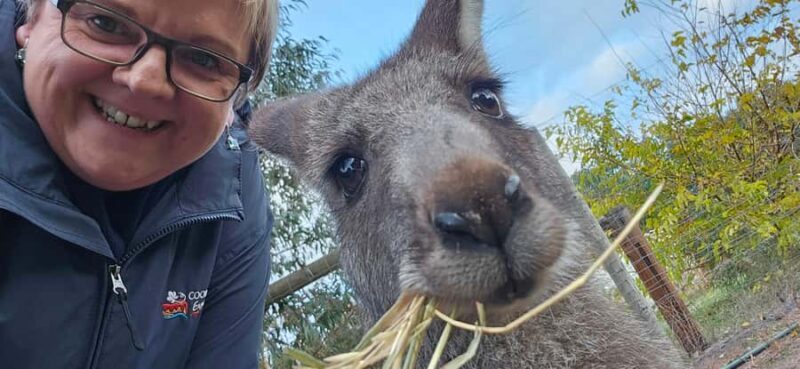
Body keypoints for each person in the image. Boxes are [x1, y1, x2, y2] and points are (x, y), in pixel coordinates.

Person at [0, 0, 277, 367]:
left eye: (204, 60)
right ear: (31, 21)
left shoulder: (231, 194)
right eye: (106, 23)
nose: (144, 80)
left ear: (234, 98)